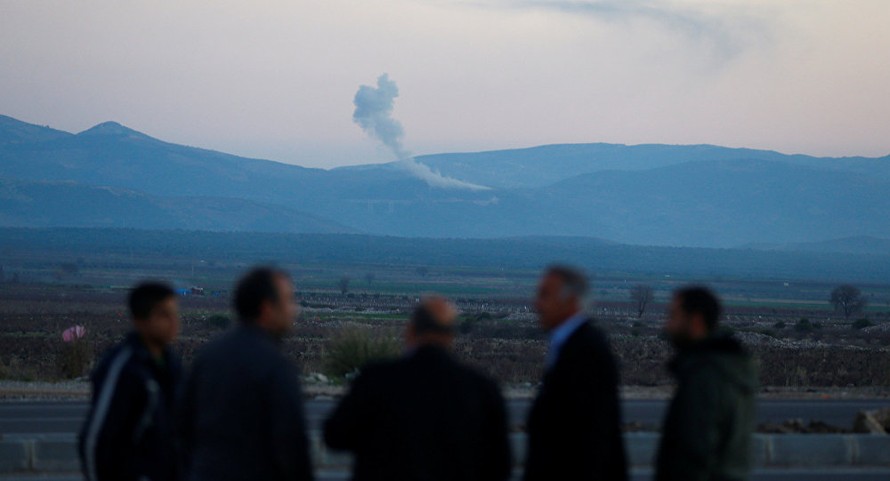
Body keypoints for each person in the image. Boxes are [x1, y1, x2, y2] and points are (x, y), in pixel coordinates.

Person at [324, 296, 512, 481]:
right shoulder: (482, 389)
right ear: (450, 336)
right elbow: (500, 465)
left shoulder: (376, 379)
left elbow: (335, 435)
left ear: (410, 331)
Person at [179, 267, 313, 481]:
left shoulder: (207, 356)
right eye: (289, 301)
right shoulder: (275, 367)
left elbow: (183, 426)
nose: (294, 309)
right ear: (267, 309)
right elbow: (292, 444)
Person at [523, 265, 628, 481]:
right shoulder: (571, 344)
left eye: (545, 295)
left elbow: (591, 436)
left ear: (570, 301)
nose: (536, 304)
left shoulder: (587, 351)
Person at [79, 281, 182, 481]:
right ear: (140, 320)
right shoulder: (123, 368)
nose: (173, 322)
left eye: (174, 314)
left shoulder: (172, 365)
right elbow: (95, 440)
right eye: (164, 315)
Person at [655, 286, 757, 481]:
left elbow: (695, 451)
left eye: (673, 316)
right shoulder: (732, 369)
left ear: (695, 320)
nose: (667, 325)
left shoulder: (706, 375)